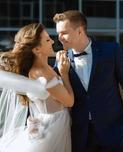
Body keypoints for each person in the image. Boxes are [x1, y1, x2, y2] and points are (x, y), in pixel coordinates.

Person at [53, 10, 123, 152]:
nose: (59, 38)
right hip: (80, 136)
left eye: (64, 32)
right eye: (58, 33)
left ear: (79, 31)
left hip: (114, 132)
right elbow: (52, 92)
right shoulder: (61, 60)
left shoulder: (111, 50)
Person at [0, 23, 74, 152]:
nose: (52, 41)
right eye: (47, 40)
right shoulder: (41, 73)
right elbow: (69, 101)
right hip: (52, 130)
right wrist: (64, 74)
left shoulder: (44, 69)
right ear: (36, 49)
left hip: (52, 126)